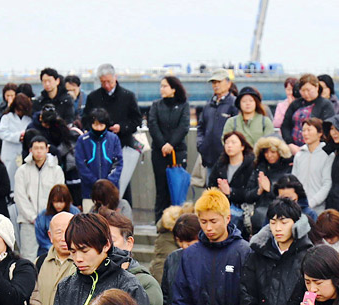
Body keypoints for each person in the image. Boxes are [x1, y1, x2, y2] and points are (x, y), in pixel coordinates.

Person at [240, 197, 315, 305]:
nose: (277, 228)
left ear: (296, 224)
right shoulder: (257, 254)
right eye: (273, 223)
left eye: (284, 222)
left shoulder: (309, 256)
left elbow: (308, 302)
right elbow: (248, 298)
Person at [83, 65, 143, 201]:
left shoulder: (127, 96)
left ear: (115, 78)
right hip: (98, 147)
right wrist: (98, 128)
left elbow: (137, 120)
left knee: (122, 183)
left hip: (122, 144)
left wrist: (121, 127)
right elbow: (86, 120)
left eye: (109, 81)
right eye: (103, 82)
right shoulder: (94, 97)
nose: (107, 85)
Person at [100, 209, 163, 305]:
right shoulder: (90, 278)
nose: (105, 247)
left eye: (111, 240)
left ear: (129, 243)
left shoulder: (145, 284)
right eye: (100, 241)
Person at [14, 136, 65, 261]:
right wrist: (32, 217)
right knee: (28, 257)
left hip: (50, 220)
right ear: (30, 149)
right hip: (28, 221)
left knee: (52, 256)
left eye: (42, 148)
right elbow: (20, 196)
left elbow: (59, 195)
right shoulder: (22, 170)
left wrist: (48, 216)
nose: (39, 151)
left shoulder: (56, 170)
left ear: (47, 149)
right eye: (35, 148)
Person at [149, 76, 191, 221]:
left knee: (176, 188)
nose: (162, 89)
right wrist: (163, 145)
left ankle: (177, 222)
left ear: (174, 88)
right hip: (159, 152)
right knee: (161, 189)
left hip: (177, 152)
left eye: (165, 86)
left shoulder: (183, 105)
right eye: (161, 86)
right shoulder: (156, 105)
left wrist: (171, 144)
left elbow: (184, 126)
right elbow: (152, 125)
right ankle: (160, 222)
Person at [156, 213, 200, 305]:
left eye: (189, 241)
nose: (184, 246)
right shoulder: (173, 259)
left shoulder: (204, 259)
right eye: (180, 241)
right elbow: (165, 296)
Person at [75, 107, 122, 209]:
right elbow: (81, 165)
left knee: (112, 221)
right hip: (89, 192)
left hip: (111, 192)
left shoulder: (113, 139)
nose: (98, 128)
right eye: (95, 124)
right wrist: (95, 183)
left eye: (101, 124)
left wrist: (108, 183)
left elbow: (118, 163)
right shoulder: (83, 140)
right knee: (90, 222)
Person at [245, 136, 293, 232]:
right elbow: (247, 196)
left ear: (280, 152)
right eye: (266, 152)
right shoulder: (260, 168)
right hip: (259, 215)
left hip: (280, 216)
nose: (269, 155)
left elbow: (289, 197)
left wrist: (270, 189)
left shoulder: (288, 169)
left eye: (273, 152)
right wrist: (259, 191)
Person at [197, 69, 238, 176]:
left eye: (219, 82)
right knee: (211, 190)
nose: (216, 85)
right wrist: (201, 145)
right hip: (209, 158)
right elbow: (201, 127)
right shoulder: (208, 105)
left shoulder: (234, 104)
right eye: (214, 82)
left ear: (228, 83)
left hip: (228, 158)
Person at [280, 73, 336, 153]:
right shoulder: (295, 104)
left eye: (308, 90)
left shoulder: (326, 105)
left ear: (316, 87)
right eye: (303, 90)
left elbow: (327, 128)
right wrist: (290, 144)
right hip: (293, 148)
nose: (306, 94)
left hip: (317, 149)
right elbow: (285, 125)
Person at [290, 118, 332, 213]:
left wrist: (310, 203)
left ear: (320, 133)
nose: (305, 133)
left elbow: (327, 184)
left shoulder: (327, 154)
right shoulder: (299, 155)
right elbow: (294, 181)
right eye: (303, 130)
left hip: (318, 209)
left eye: (309, 130)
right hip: (298, 207)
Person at [34, 184, 80, 258]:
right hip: (47, 252)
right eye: (55, 201)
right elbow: (41, 237)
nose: (58, 205)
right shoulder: (42, 215)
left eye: (61, 202)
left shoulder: (75, 212)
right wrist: (55, 248)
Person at [0, 94, 33, 189]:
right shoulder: (7, 117)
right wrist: (18, 136)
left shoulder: (29, 119)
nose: (20, 112)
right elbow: (2, 133)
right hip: (10, 152)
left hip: (24, 151)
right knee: (9, 177)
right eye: (18, 109)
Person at [222, 86, 274, 150]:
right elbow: (225, 140)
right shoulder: (232, 122)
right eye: (244, 101)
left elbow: (270, 141)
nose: (248, 103)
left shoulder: (265, 121)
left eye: (251, 101)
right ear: (239, 104)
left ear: (256, 103)